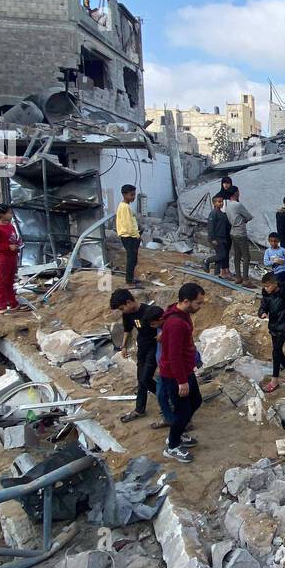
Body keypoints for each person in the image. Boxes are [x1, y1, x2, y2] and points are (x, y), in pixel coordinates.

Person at [158, 283, 207, 462]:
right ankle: (172, 446)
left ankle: (178, 434)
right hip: (175, 375)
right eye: (198, 303)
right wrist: (181, 381)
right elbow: (173, 356)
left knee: (196, 401)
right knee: (182, 411)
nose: (200, 307)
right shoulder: (175, 324)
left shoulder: (182, 314)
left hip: (186, 371)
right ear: (186, 301)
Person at [110, 288, 167, 424]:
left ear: (129, 302)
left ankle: (166, 399)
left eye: (122, 307)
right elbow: (127, 329)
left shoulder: (150, 311)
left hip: (154, 347)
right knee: (141, 379)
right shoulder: (127, 315)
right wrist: (123, 346)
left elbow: (165, 324)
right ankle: (139, 409)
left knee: (145, 378)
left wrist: (162, 335)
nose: (122, 311)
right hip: (142, 348)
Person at [258, 273, 285, 392]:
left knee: (275, 351)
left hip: (283, 326)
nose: (266, 289)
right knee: (278, 350)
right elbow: (263, 307)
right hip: (273, 326)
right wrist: (262, 313)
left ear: (275, 284)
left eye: (268, 286)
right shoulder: (266, 295)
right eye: (264, 287)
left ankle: (274, 380)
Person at [0, 203, 25, 312]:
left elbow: (12, 239)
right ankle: (1, 305)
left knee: (10, 281)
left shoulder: (10, 226)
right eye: (9, 212)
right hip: (4, 258)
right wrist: (7, 247)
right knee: (3, 281)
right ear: (2, 214)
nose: (11, 214)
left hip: (12, 257)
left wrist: (17, 244)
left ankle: (13, 303)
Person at [224, 189, 254, 286]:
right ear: (235, 193)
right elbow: (249, 216)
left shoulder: (228, 205)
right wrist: (243, 219)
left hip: (233, 231)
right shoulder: (237, 205)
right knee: (246, 257)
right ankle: (245, 279)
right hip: (240, 232)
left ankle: (238, 277)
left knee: (237, 255)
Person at [116, 183, 142, 286]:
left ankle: (130, 278)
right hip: (129, 236)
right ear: (124, 195)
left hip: (129, 235)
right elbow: (128, 225)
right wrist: (137, 235)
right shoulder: (124, 207)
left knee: (133, 258)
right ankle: (129, 280)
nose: (133, 197)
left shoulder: (124, 206)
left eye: (134, 194)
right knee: (131, 259)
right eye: (131, 195)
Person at [207, 194, 231, 277]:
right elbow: (210, 226)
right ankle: (207, 260)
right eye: (219, 202)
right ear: (214, 203)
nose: (221, 203)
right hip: (217, 238)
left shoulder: (222, 213)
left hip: (223, 238)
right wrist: (212, 238)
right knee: (222, 255)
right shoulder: (213, 213)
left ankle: (217, 273)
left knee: (220, 256)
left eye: (222, 202)